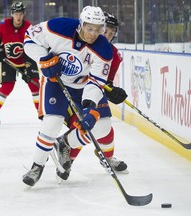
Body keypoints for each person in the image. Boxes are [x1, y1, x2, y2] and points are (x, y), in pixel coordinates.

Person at [22, 6, 113, 187]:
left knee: (103, 126)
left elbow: (95, 82)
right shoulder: (58, 27)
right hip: (56, 82)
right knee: (52, 123)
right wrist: (44, 58)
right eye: (89, 28)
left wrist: (89, 107)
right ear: (81, 24)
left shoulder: (103, 49)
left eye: (98, 29)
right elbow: (29, 37)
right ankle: (37, 166)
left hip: (83, 87)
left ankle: (65, 142)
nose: (93, 33)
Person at [55, 11, 128, 181]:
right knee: (82, 126)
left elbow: (104, 82)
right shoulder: (78, 43)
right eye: (106, 31)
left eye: (112, 32)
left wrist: (113, 92)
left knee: (106, 129)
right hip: (70, 91)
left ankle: (108, 159)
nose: (108, 36)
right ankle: (67, 160)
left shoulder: (113, 55)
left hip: (91, 93)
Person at [0, 1, 40, 128]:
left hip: (25, 57)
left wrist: (27, 68)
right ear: (12, 14)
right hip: (8, 60)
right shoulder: (3, 25)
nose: (18, 16)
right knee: (7, 87)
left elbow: (31, 47)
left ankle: (41, 114)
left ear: (24, 14)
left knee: (35, 84)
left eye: (20, 13)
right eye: (16, 13)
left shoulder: (29, 27)